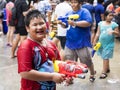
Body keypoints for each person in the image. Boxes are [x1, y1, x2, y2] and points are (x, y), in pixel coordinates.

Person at [17, 9, 72, 90]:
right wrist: (52, 77)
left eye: (41, 23)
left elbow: (57, 64)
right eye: (35, 25)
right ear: (27, 28)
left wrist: (65, 75)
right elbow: (25, 73)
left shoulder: (51, 44)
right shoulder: (25, 46)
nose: (39, 27)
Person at [60, 0, 96, 82]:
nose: (73, 4)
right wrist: (61, 24)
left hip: (82, 42)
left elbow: (88, 22)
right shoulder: (68, 13)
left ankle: (92, 74)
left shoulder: (84, 11)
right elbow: (65, 25)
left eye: (75, 2)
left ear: (80, 3)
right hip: (70, 41)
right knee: (70, 62)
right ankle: (70, 77)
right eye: (71, 2)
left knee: (86, 61)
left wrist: (74, 23)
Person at [93, 10, 119, 79]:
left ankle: (104, 72)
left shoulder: (114, 24)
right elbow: (98, 33)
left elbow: (118, 34)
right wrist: (94, 41)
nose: (111, 17)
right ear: (105, 16)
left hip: (109, 44)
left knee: (105, 57)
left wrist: (114, 32)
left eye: (112, 16)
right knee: (104, 57)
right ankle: (107, 68)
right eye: (109, 15)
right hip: (101, 44)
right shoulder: (100, 23)